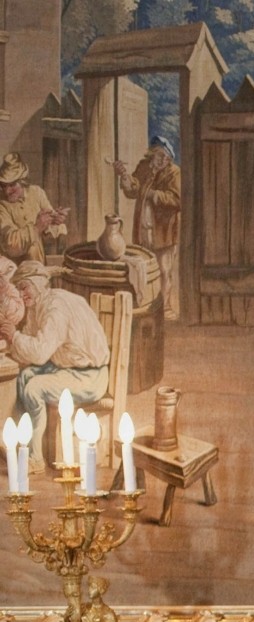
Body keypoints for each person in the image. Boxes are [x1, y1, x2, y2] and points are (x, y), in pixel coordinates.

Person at [3, 262, 109, 469]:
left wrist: (14, 337)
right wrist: (12, 341)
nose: (21, 294)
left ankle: (35, 459)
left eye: (24, 287)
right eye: (18, 289)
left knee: (34, 389)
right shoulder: (38, 305)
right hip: (67, 369)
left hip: (90, 376)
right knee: (24, 377)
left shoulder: (56, 308)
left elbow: (39, 353)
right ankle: (23, 445)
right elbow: (29, 351)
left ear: (38, 283)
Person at [114, 140, 182, 319]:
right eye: (160, 155)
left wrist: (153, 194)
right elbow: (132, 190)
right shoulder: (144, 166)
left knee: (164, 270)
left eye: (167, 158)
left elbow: (177, 200)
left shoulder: (174, 172)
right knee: (143, 268)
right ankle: (146, 305)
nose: (163, 160)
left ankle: (165, 308)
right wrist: (124, 175)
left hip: (164, 230)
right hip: (143, 228)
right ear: (152, 153)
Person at [0, 153, 66, 265]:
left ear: (22, 181)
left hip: (38, 263)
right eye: (3, 185)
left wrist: (54, 221)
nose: (7, 191)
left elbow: (49, 236)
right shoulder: (1, 204)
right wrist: (36, 228)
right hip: (13, 268)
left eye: (12, 185)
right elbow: (10, 244)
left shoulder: (37, 193)